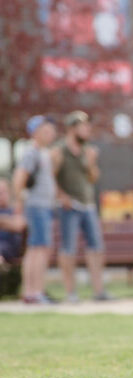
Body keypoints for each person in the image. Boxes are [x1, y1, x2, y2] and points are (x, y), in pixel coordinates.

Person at [53, 111, 110, 302]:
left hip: (88, 205)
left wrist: (92, 163)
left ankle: (99, 291)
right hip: (69, 207)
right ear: (71, 128)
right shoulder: (59, 150)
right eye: (83, 126)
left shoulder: (88, 151)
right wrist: (62, 197)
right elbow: (50, 178)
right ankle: (71, 293)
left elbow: (93, 178)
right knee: (68, 249)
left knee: (96, 248)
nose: (87, 130)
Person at [12, 115, 58, 303]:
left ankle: (32, 291)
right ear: (36, 133)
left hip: (44, 206)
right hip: (36, 206)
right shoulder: (32, 152)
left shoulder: (44, 153)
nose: (51, 134)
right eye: (46, 130)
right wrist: (19, 204)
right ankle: (34, 292)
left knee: (37, 248)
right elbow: (19, 177)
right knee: (39, 248)